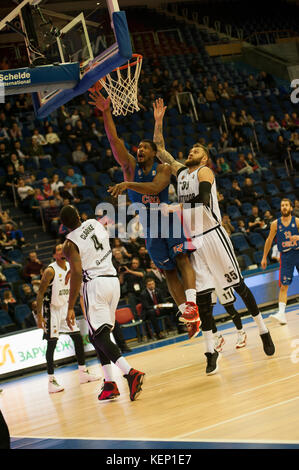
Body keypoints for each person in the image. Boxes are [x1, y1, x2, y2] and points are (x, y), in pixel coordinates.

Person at [153, 98, 275, 374]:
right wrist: (159, 120)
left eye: (196, 149)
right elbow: (160, 151)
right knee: (205, 299)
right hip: (195, 241)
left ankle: (262, 329)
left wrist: (175, 207)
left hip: (214, 235)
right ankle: (210, 350)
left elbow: (204, 199)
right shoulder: (182, 172)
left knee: (240, 287)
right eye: (191, 148)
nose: (191, 150)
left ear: (204, 157)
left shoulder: (205, 171)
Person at [89, 87, 200, 328]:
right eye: (138, 147)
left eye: (144, 147)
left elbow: (153, 188)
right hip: (149, 228)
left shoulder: (162, 169)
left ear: (154, 153)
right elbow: (114, 140)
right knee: (168, 271)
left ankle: (192, 303)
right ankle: (187, 315)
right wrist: (106, 112)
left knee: (182, 260)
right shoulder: (129, 166)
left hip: (168, 221)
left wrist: (128, 184)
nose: (139, 149)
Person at [60, 205, 145, 401]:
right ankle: (109, 383)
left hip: (95, 286)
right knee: (97, 334)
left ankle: (130, 373)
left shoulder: (69, 244)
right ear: (80, 215)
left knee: (98, 336)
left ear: (64, 226)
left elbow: (78, 272)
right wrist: (73, 270)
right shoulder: (94, 223)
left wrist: (71, 305)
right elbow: (91, 251)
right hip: (112, 281)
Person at [35, 244, 100, 393]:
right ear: (54, 256)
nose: (62, 251)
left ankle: (83, 373)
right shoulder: (50, 271)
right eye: (58, 250)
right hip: (51, 310)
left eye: (62, 249)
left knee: (77, 338)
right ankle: (51, 381)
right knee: (52, 344)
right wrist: (39, 316)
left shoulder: (70, 268)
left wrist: (71, 308)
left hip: (65, 308)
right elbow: (40, 293)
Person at [261, 199, 299, 325]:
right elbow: (269, 240)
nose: (284, 207)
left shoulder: (297, 221)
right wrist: (264, 257)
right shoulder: (275, 224)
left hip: (298, 252)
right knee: (283, 286)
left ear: (291, 208)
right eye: (282, 205)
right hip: (286, 256)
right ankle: (281, 314)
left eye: (286, 205)